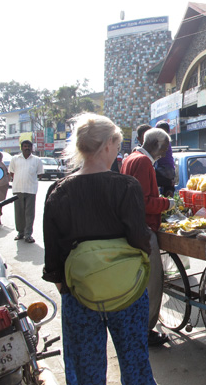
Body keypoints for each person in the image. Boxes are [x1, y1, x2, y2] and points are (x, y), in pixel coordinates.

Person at [42, 113, 156, 384]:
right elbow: (140, 239)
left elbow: (52, 254)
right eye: (117, 146)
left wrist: (64, 285)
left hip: (80, 292)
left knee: (85, 371)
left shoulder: (58, 191)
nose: (117, 152)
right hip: (127, 291)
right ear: (107, 145)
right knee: (135, 364)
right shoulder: (127, 186)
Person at [121, 128, 175, 347]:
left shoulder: (131, 158)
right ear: (157, 145)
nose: (165, 152)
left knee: (140, 283)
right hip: (144, 228)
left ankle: (137, 325)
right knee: (153, 283)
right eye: (165, 148)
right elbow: (143, 201)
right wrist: (166, 203)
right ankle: (146, 330)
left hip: (133, 227)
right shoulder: (143, 162)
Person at [9, 140, 44, 243]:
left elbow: (40, 174)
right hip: (18, 189)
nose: (26, 148)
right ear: (21, 147)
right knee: (19, 213)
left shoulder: (37, 160)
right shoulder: (15, 159)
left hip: (31, 190)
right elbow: (11, 173)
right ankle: (20, 233)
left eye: (28, 146)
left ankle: (28, 234)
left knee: (29, 213)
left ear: (31, 147)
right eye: (25, 146)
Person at [154, 121, 175, 197]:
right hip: (168, 169)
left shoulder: (163, 140)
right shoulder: (165, 140)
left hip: (165, 169)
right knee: (167, 192)